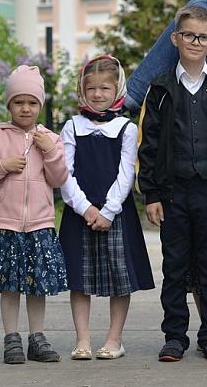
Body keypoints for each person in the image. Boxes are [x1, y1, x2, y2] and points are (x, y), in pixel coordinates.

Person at [138, 5, 207, 363]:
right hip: (173, 194)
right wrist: (151, 193)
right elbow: (148, 144)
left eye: (203, 37)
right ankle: (174, 336)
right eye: (188, 36)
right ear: (176, 39)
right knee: (175, 267)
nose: (195, 42)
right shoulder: (160, 89)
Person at [0, 65, 70, 364]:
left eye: (32, 102)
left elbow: (60, 178)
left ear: (40, 105)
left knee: (37, 286)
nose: (25, 108)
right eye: (19, 102)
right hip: (7, 224)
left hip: (40, 225)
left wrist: (50, 152)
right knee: (9, 285)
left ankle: (37, 338)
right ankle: (11, 338)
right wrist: (1, 166)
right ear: (9, 105)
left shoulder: (50, 139)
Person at [59, 55, 153, 361]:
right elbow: (64, 174)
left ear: (118, 90)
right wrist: (86, 208)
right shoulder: (72, 126)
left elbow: (127, 173)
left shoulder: (125, 128)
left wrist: (108, 211)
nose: (98, 94)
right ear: (82, 90)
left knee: (119, 276)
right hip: (80, 213)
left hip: (116, 214)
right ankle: (82, 338)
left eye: (105, 88)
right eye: (91, 88)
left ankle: (115, 339)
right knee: (80, 278)